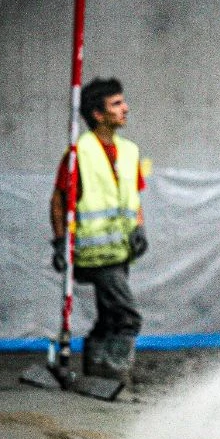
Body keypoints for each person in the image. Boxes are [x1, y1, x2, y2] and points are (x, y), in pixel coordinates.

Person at [49, 77, 148, 384]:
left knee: (109, 318)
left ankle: (96, 368)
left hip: (121, 249)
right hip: (95, 253)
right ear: (98, 114)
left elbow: (134, 195)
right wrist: (60, 240)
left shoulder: (130, 151)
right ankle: (114, 374)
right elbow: (58, 199)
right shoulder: (79, 153)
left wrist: (139, 227)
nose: (125, 108)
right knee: (127, 316)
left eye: (123, 101)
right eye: (117, 104)